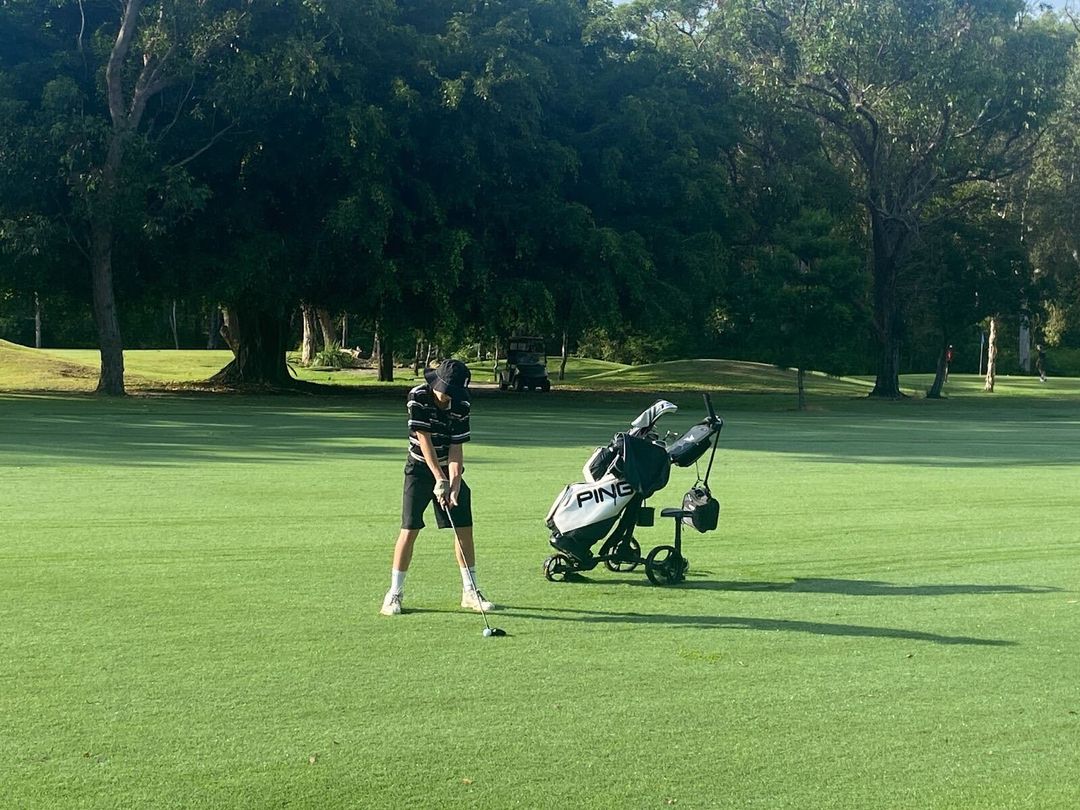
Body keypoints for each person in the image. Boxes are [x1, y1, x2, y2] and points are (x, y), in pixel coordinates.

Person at [380, 358, 495, 616]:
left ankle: (470, 591)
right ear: (436, 383)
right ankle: (394, 594)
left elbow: (456, 447)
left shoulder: (462, 404)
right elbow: (424, 441)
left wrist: (453, 483)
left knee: (464, 528)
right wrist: (438, 479)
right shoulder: (417, 397)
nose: (446, 398)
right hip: (420, 469)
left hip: (447, 467)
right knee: (409, 529)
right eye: (444, 391)